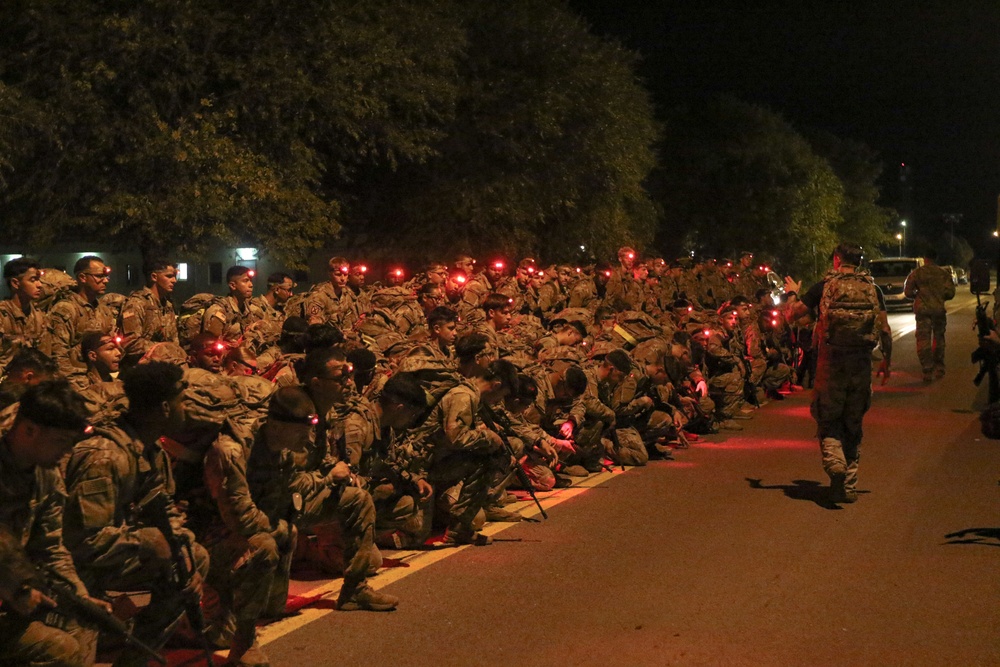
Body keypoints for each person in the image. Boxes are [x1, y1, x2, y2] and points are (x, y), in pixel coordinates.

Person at [63, 362, 211, 664]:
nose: (188, 408)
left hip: (111, 554)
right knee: (71, 654)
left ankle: (136, 659)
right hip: (75, 569)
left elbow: (164, 511)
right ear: (166, 407)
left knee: (188, 561)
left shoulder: (149, 449)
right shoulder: (105, 456)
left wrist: (183, 555)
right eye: (183, 401)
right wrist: (144, 540)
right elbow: (82, 541)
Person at [0, 380, 102, 667]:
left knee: (81, 626)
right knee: (60, 649)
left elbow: (50, 547)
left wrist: (79, 598)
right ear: (29, 430)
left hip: (12, 592)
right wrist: (17, 590)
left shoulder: (45, 476)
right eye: (60, 441)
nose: (66, 452)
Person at [791, 242, 891, 504]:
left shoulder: (824, 286)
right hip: (860, 368)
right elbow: (885, 329)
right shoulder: (872, 288)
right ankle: (849, 486)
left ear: (837, 259)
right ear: (859, 261)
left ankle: (836, 467)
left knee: (828, 420)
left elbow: (793, 314)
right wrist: (886, 362)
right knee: (853, 426)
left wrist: (793, 294)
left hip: (831, 366)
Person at [45, 255, 117, 381]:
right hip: (73, 381)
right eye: (99, 276)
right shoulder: (66, 310)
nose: (105, 281)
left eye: (106, 277)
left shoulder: (104, 311)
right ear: (82, 278)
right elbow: (58, 354)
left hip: (99, 379)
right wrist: (77, 385)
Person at [904, 249, 956, 381]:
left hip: (923, 310)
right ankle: (939, 367)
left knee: (923, 339)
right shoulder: (943, 273)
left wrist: (919, 295)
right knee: (939, 338)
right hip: (938, 310)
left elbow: (908, 292)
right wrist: (939, 295)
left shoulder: (916, 273)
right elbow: (950, 293)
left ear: (925, 258)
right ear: (936, 258)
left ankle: (927, 369)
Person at [118, 259, 179, 368]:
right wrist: (163, 348)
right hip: (137, 369)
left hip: (162, 367)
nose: (174, 280)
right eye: (169, 276)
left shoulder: (167, 306)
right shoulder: (137, 303)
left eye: (175, 276)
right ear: (154, 277)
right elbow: (130, 343)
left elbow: (174, 342)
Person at [0, 257, 48, 375]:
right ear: (16, 283)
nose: (39, 285)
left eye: (39, 280)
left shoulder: (39, 317)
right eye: (33, 280)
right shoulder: (3, 315)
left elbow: (45, 355)